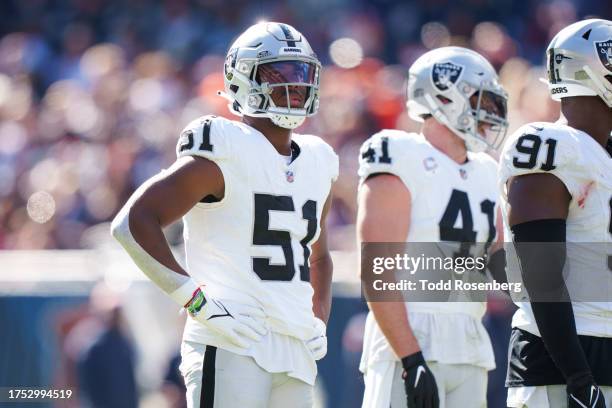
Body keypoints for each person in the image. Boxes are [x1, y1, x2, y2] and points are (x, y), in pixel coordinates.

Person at [111, 22, 338, 408]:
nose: (295, 83)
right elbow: (132, 224)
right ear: (242, 79)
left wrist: (318, 318)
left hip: (296, 346)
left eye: (301, 72)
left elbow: (318, 255)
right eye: (279, 72)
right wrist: (197, 303)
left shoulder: (318, 159)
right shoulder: (224, 148)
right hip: (232, 339)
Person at [357, 46, 509, 408]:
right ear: (444, 96)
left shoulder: (487, 170)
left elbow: (502, 263)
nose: (489, 113)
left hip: (470, 340)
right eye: (480, 101)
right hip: (409, 337)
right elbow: (376, 273)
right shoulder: (399, 154)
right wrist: (410, 357)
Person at [499, 18, 612, 408]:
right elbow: (541, 276)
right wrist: (579, 380)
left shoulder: (602, 156)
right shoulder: (549, 146)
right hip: (560, 363)